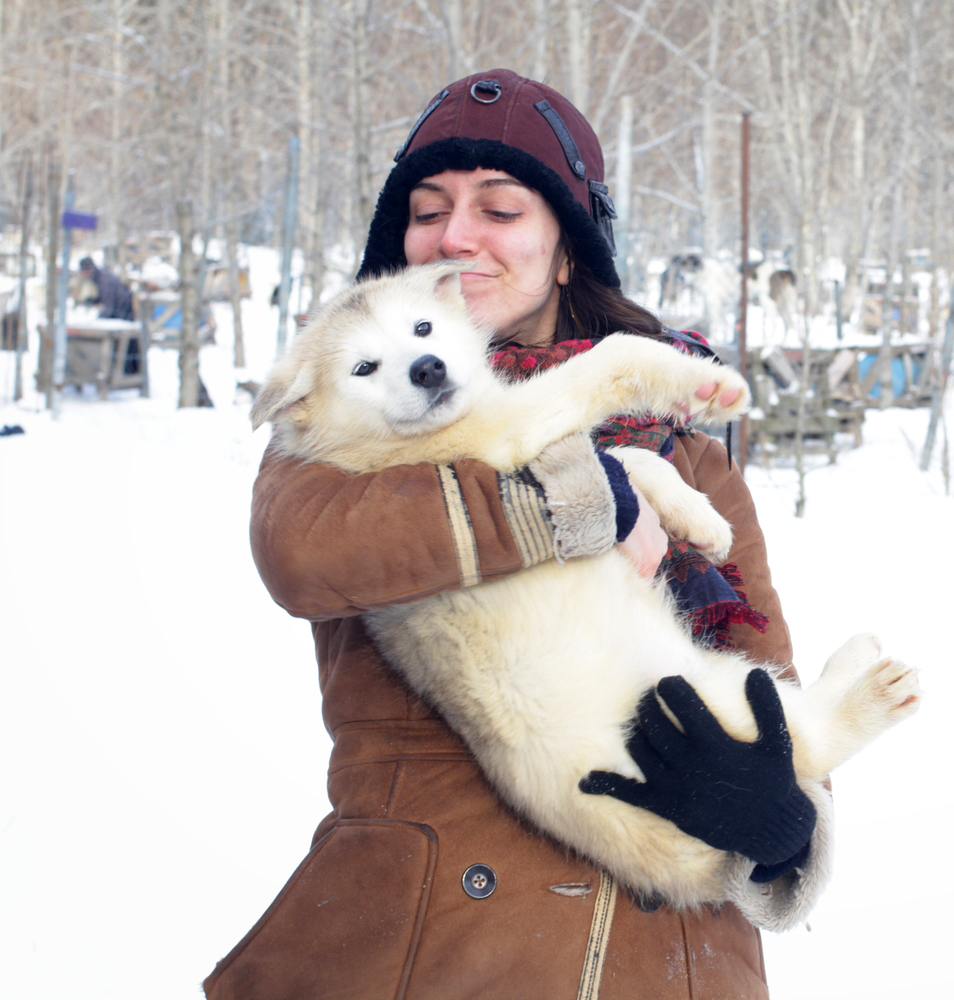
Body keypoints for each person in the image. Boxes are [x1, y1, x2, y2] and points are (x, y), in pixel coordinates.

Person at [205, 70, 826, 1000]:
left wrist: (783, 826)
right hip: (435, 953)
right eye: (427, 210)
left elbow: (767, 679)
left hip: (672, 962)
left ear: (567, 249)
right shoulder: (348, 423)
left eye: (499, 208)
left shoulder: (688, 460)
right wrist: (576, 497)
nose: (457, 236)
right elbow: (303, 551)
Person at [77, 256, 141, 375]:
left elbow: (109, 304)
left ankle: (127, 372)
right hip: (119, 311)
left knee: (125, 345)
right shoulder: (98, 276)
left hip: (124, 313)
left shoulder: (104, 278)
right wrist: (92, 301)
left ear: (88, 270)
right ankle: (122, 371)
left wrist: (97, 323)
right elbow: (105, 299)